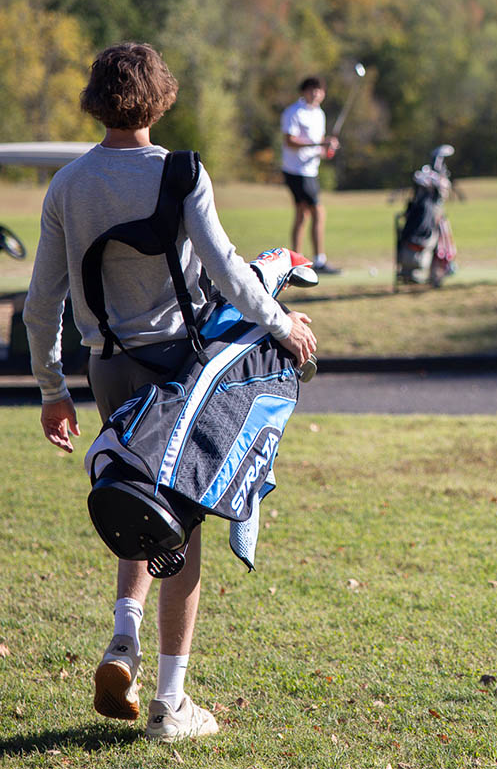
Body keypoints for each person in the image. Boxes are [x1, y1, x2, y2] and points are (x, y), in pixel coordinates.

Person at [23, 42, 317, 743]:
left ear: (96, 99)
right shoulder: (182, 173)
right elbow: (230, 273)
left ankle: (123, 638)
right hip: (180, 370)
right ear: (161, 98)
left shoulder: (67, 184)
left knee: (137, 494)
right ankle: (170, 704)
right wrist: (284, 325)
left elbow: (42, 305)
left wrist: (50, 392)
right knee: (179, 528)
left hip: (106, 367)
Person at [280, 76, 341, 274]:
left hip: (310, 171)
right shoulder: (293, 112)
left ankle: (295, 263)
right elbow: (289, 141)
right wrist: (318, 145)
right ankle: (318, 260)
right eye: (312, 89)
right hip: (296, 171)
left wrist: (327, 148)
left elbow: (320, 142)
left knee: (302, 215)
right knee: (318, 212)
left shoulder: (319, 114)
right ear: (304, 91)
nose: (316, 93)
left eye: (319, 90)